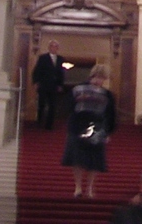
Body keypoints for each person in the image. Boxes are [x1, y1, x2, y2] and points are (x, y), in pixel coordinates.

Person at [62, 63, 117, 199]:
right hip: (78, 126)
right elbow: (70, 108)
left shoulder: (107, 94)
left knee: (94, 160)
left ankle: (90, 188)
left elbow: (111, 115)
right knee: (77, 158)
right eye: (97, 77)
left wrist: (108, 132)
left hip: (97, 127)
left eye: (102, 78)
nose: (99, 81)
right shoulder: (78, 89)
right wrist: (71, 127)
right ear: (92, 76)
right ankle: (78, 187)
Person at [32, 39, 67, 130]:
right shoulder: (43, 58)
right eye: (52, 46)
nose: (53, 48)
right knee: (42, 104)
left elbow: (61, 73)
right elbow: (37, 70)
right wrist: (36, 82)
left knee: (52, 105)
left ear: (58, 48)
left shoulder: (60, 59)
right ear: (49, 47)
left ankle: (49, 125)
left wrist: (60, 84)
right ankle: (39, 122)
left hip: (54, 85)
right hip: (44, 84)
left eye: (55, 46)